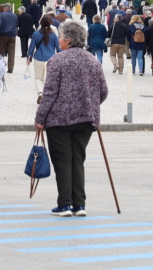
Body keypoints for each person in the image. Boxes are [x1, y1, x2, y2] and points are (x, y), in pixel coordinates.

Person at [35, 19, 108, 217]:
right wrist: (90, 105)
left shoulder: (57, 61)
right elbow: (103, 91)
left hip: (59, 120)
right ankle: (79, 205)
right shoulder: (93, 61)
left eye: (60, 37)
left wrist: (40, 117)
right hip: (86, 120)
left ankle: (65, 204)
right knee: (77, 160)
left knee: (62, 161)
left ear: (67, 40)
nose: (59, 40)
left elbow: (49, 93)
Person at [27, 15, 59, 97]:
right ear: (50, 23)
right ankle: (47, 94)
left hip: (39, 58)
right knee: (48, 78)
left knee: (38, 78)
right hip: (51, 59)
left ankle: (40, 92)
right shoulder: (53, 35)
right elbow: (59, 49)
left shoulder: (36, 34)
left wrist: (29, 57)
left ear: (41, 23)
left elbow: (31, 47)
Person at [0, 3, 18, 73]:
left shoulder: (2, 15)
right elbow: (16, 25)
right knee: (11, 52)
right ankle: (10, 68)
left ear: (5, 9)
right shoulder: (14, 16)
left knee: (1, 51)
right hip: (12, 35)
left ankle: (0, 67)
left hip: (3, 35)